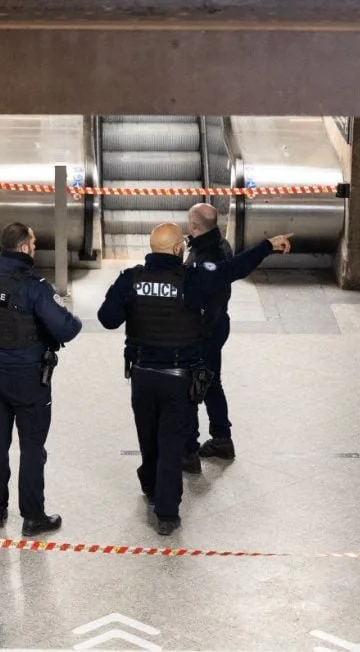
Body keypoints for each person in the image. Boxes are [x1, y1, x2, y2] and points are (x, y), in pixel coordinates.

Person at [97, 222, 291, 535]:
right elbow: (232, 269)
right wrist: (268, 245)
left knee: (148, 438)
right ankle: (167, 514)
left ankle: (150, 483)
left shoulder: (130, 280)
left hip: (143, 376)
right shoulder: (193, 279)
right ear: (177, 249)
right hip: (179, 378)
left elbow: (107, 320)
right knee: (171, 443)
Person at [0, 222, 83, 537]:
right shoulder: (34, 287)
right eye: (32, 241)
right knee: (31, 446)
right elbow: (67, 329)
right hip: (29, 379)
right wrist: (72, 315)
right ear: (26, 247)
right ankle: (32, 517)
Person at [181, 203, 236, 474]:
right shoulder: (222, 245)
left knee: (192, 385)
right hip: (218, 325)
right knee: (212, 381)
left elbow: (202, 297)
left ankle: (189, 451)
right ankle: (222, 438)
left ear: (194, 226)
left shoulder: (204, 256)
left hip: (203, 330)